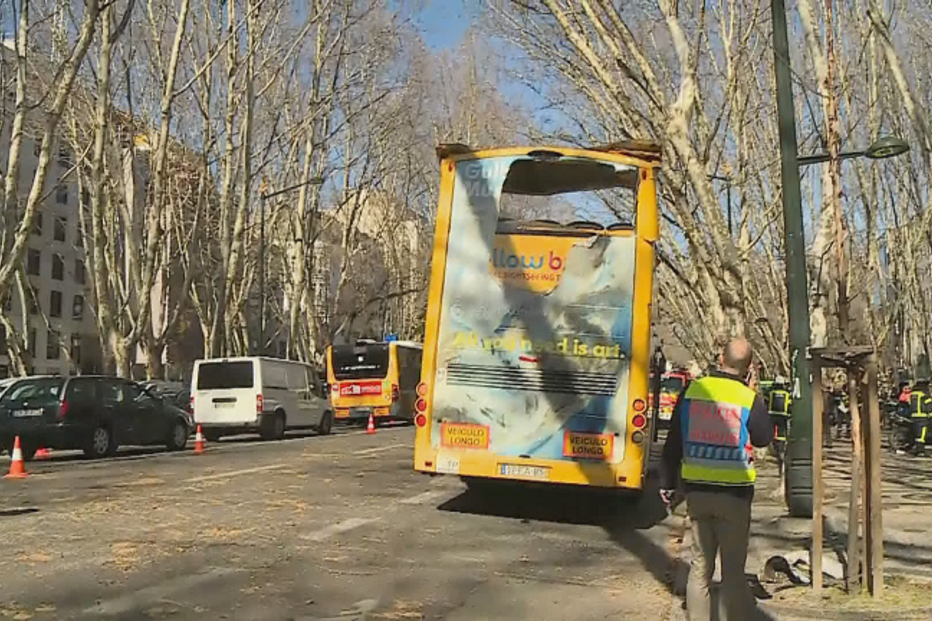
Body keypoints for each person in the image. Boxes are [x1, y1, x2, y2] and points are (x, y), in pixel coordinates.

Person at [660, 339, 774, 621]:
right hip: (734, 497)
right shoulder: (747, 398)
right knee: (733, 574)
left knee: (700, 569)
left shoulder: (693, 390)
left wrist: (668, 482)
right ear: (748, 369)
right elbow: (764, 437)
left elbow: (673, 441)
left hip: (697, 494)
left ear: (720, 358)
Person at [768, 378, 792, 479]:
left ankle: (775, 445)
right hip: (783, 417)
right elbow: (790, 405)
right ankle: (781, 447)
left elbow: (766, 403)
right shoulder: (787, 394)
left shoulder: (771, 393)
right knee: (782, 434)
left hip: (772, 416)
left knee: (774, 434)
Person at [909, 379, 932, 456]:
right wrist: (930, 414)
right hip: (922, 417)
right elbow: (929, 406)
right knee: (922, 435)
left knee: (917, 434)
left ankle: (918, 449)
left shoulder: (913, 394)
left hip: (914, 416)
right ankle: (920, 451)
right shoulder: (924, 395)